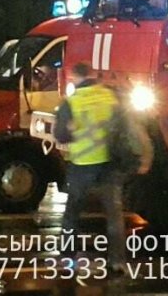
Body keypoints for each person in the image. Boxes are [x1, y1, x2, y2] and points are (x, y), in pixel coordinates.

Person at [53, 62, 128, 274]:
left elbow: (61, 135)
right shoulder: (110, 97)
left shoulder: (72, 102)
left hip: (82, 164)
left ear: (75, 77)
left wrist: (70, 130)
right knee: (113, 213)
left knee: (73, 213)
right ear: (92, 75)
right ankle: (117, 260)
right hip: (109, 163)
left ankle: (68, 257)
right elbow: (124, 128)